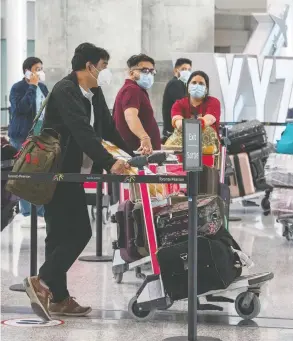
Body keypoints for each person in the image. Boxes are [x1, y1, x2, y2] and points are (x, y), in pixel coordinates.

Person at [23, 43, 131, 321]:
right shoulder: (65, 90)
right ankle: (43, 280)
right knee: (81, 232)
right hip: (58, 173)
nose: (105, 72)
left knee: (57, 236)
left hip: (74, 173)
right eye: (104, 66)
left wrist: (131, 155)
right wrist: (109, 163)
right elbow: (82, 132)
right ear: (88, 66)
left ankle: (58, 298)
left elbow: (107, 128)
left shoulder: (93, 91)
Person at [8, 57, 49, 228]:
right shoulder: (18, 88)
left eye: (41, 68)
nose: (39, 72)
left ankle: (39, 212)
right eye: (36, 68)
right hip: (21, 136)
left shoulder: (43, 87)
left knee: (39, 173)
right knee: (23, 174)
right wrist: (31, 86)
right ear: (27, 71)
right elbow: (21, 109)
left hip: (40, 136)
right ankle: (26, 213)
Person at [113, 54, 161, 154]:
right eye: (145, 71)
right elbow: (130, 115)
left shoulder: (137, 90)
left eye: (152, 71)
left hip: (140, 152)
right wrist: (144, 137)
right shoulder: (132, 89)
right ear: (131, 73)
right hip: (136, 152)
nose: (149, 75)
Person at [162, 58, 192, 140]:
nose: (187, 72)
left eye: (189, 70)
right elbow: (185, 105)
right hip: (173, 133)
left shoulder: (182, 84)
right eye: (184, 69)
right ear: (176, 70)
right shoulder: (175, 83)